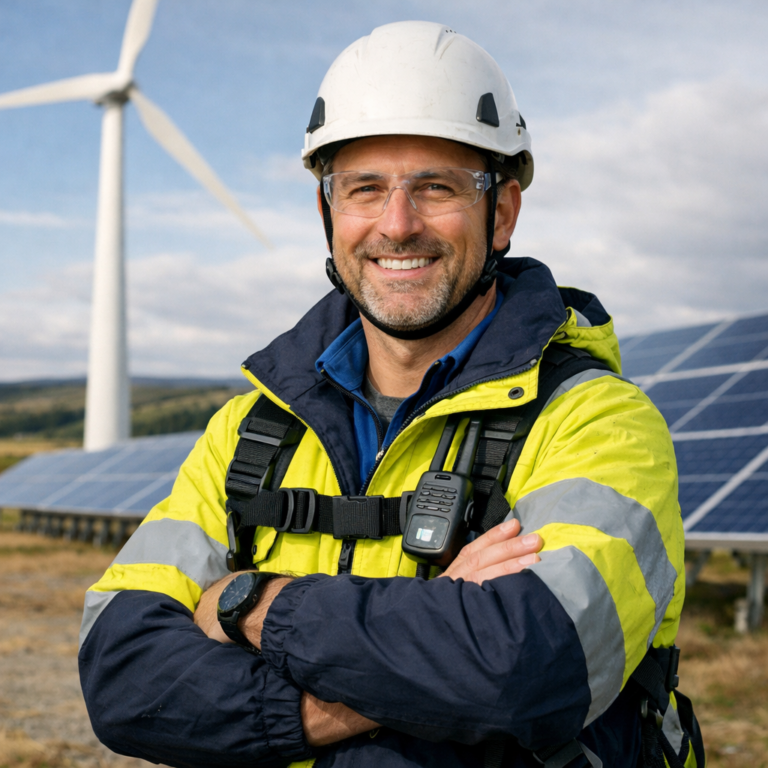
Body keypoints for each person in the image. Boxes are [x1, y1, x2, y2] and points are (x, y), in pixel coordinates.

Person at [78, 21, 688, 768]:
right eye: (364, 189)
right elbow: (120, 674)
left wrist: (245, 604)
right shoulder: (248, 432)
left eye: (437, 187)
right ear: (328, 213)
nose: (397, 226)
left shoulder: (600, 424)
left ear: (502, 212)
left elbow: (533, 668)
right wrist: (426, 651)